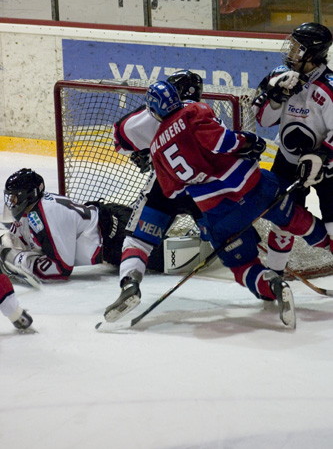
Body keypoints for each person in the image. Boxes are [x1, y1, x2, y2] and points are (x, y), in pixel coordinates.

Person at [145, 80, 332, 328]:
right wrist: (248, 142)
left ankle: (273, 285)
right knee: (293, 217)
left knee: (241, 264)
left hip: (219, 211)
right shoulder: (194, 110)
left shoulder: (156, 147)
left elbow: (173, 191)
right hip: (254, 187)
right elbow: (224, 142)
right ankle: (329, 244)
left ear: (153, 111)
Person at [103, 70, 207, 322]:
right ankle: (265, 272)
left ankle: (130, 284)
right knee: (229, 235)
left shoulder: (150, 118)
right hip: (204, 190)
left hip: (164, 185)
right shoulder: (207, 115)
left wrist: (143, 153)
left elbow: (119, 137)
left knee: (138, 240)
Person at [251, 22, 333, 274]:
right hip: (286, 161)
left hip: (325, 167)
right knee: (282, 220)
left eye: (297, 48)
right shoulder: (279, 77)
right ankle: (274, 277)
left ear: (311, 54)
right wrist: (276, 96)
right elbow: (262, 120)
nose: (291, 51)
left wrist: (323, 156)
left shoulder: (329, 86)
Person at [0, 168, 135, 282]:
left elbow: (61, 269)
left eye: (14, 197)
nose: (11, 202)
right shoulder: (30, 210)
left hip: (121, 236)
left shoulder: (48, 212)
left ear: (28, 196)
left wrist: (19, 260)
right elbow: (17, 240)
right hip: (112, 226)